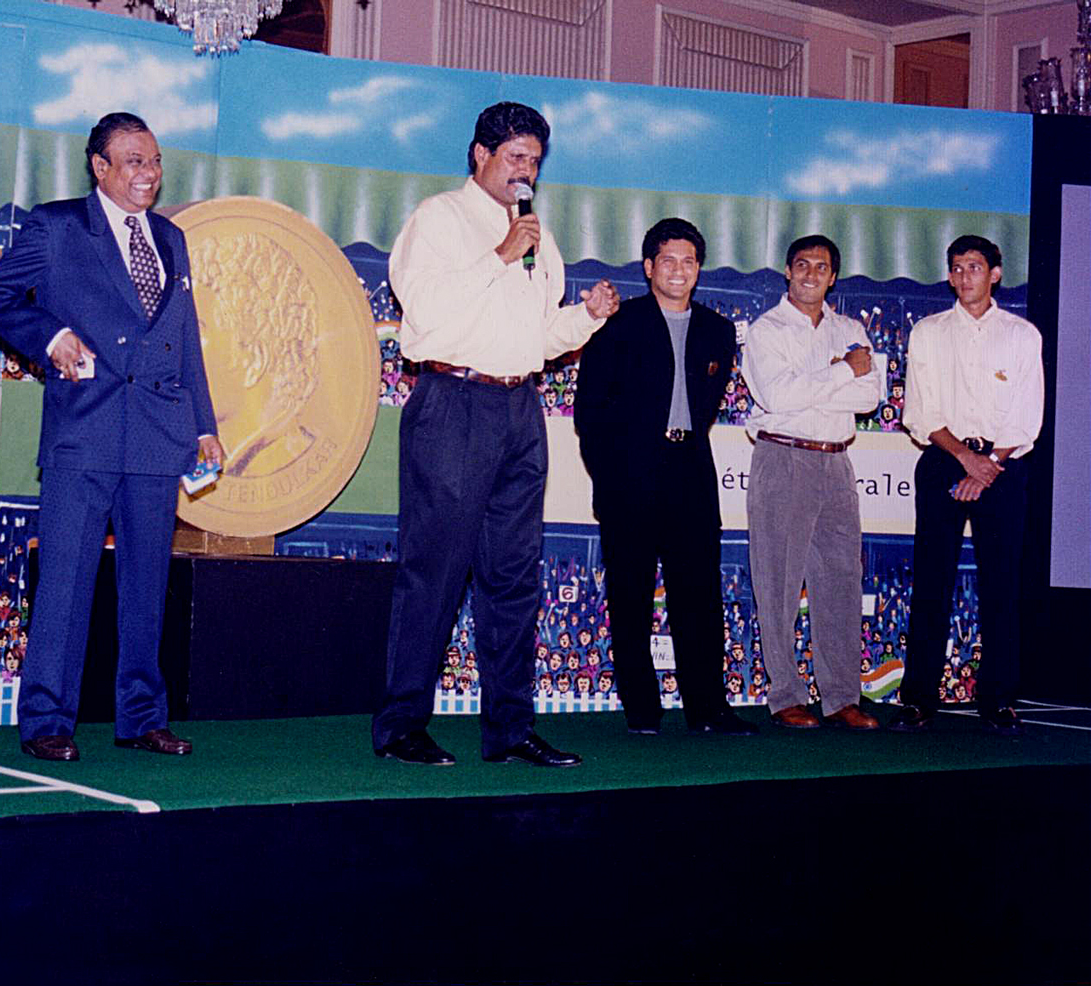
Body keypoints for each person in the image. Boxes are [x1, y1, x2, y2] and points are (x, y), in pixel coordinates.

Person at [371, 102, 619, 767]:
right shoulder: (438, 220)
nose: (525, 173)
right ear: (478, 155)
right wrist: (501, 255)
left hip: (518, 409)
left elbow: (537, 337)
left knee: (514, 579)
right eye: (515, 158)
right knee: (435, 573)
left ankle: (509, 730)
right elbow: (424, 309)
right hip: (453, 401)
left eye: (535, 161)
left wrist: (585, 319)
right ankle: (401, 727)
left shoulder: (536, 233)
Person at [0, 112, 222, 761]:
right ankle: (47, 721)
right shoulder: (56, 228)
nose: (149, 173)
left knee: (146, 586)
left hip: (156, 435)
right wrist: (51, 338)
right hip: (83, 433)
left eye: (156, 161)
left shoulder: (171, 238)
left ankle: (141, 717)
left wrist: (204, 426)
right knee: (65, 583)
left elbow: (186, 336)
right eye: (134, 161)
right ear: (100, 167)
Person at [573, 218, 757, 736]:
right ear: (649, 267)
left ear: (699, 270)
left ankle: (707, 707)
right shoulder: (619, 323)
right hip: (629, 476)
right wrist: (611, 477)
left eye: (690, 261)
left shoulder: (718, 331)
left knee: (698, 594)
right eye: (669, 260)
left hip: (690, 473)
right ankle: (641, 709)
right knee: (630, 594)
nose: (680, 270)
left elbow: (705, 411)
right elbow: (590, 412)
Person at [894, 235, 1043, 736]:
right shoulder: (929, 332)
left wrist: (989, 465)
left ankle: (999, 699)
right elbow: (921, 412)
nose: (964, 277)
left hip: (1003, 467)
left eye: (974, 267)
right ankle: (918, 700)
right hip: (943, 460)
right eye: (956, 268)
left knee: (1001, 584)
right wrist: (964, 459)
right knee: (931, 583)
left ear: (995, 273)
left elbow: (1027, 417)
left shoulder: (1023, 336)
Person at [742, 235, 884, 730]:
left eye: (821, 267)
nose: (810, 274)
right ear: (787, 271)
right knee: (778, 580)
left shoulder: (849, 327)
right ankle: (785, 695)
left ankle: (842, 695)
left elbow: (870, 396)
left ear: (833, 277)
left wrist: (825, 380)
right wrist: (843, 371)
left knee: (842, 581)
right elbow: (777, 397)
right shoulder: (767, 330)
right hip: (785, 457)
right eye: (801, 264)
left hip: (837, 462)